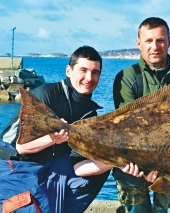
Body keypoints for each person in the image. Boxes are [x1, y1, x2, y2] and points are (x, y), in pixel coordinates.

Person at [0, 46, 134, 213]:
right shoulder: (45, 95)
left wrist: (117, 160)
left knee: (100, 160)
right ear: (69, 71)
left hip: (50, 165)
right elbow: (21, 147)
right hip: (14, 162)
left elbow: (78, 167)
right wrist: (51, 139)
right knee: (39, 207)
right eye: (83, 70)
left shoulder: (89, 114)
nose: (89, 78)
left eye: (95, 72)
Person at [112, 17, 170, 213]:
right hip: (134, 162)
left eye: (160, 40)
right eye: (148, 41)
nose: (155, 46)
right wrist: (146, 167)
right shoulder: (127, 78)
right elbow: (129, 128)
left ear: (169, 41)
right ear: (139, 43)